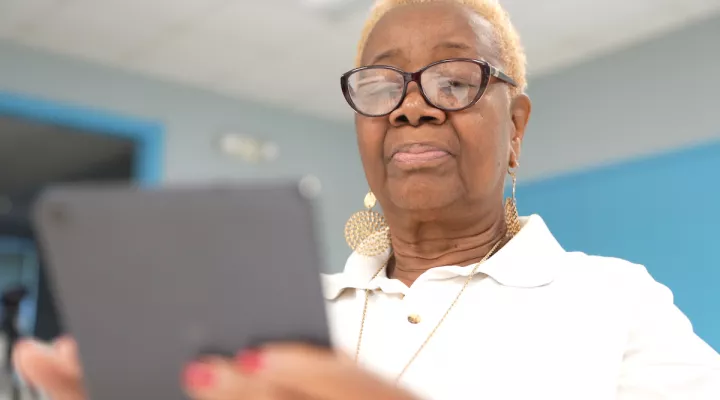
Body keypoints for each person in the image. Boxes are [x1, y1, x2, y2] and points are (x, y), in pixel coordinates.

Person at [11, 0, 720, 399]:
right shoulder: (284, 315)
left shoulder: (615, 301)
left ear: (516, 129)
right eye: (383, 87)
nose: (411, 108)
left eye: (453, 79)